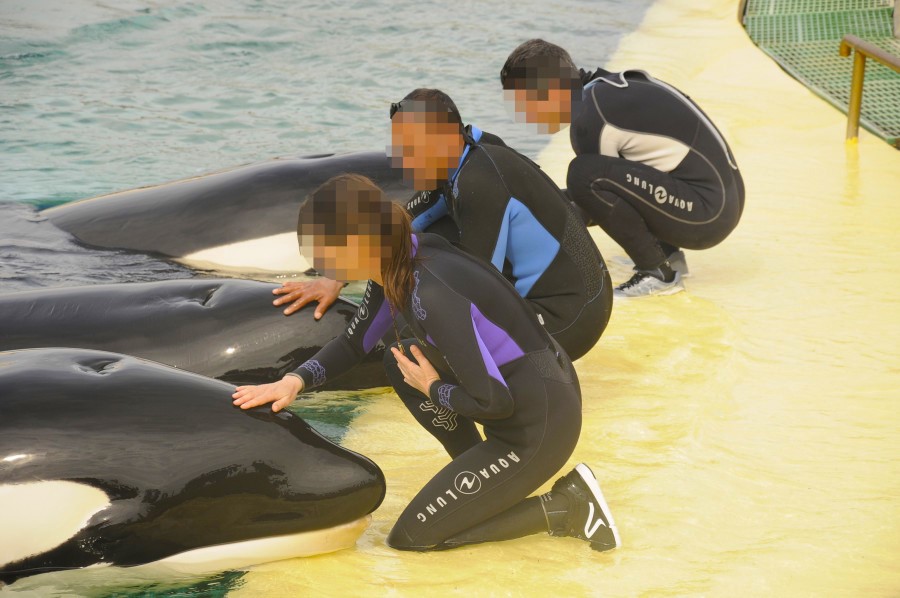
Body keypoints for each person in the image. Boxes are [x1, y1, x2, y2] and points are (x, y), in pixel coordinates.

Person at [233, 174, 620, 552]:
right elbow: (354, 344)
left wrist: (433, 387)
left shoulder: (431, 293)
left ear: (358, 244)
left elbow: (495, 402)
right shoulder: (401, 260)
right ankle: (478, 472)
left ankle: (567, 507)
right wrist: (292, 382)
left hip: (539, 425)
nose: (317, 263)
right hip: (534, 396)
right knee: (397, 360)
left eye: (321, 250)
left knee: (414, 538)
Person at [274, 89, 611, 362]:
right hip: (578, 289)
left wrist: (411, 316)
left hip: (570, 318)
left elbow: (478, 290)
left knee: (412, 343)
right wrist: (337, 276)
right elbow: (402, 223)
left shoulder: (480, 184)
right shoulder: (466, 155)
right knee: (424, 241)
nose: (401, 160)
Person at [500, 39, 745, 297]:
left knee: (583, 175)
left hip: (707, 217)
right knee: (595, 178)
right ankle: (667, 257)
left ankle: (657, 272)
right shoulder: (601, 91)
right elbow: (621, 189)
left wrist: (523, 240)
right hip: (719, 204)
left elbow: (594, 200)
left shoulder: (589, 119)